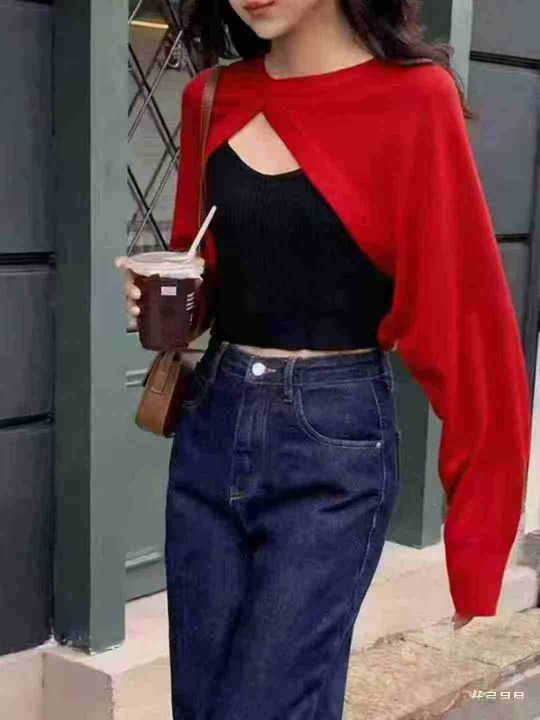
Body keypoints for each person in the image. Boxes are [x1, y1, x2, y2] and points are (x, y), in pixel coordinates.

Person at [120, 1, 532, 718]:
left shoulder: (414, 99)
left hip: (332, 444)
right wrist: (162, 299)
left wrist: (477, 537)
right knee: (205, 705)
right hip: (212, 428)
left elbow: (467, 322)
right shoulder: (210, 97)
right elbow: (202, 271)